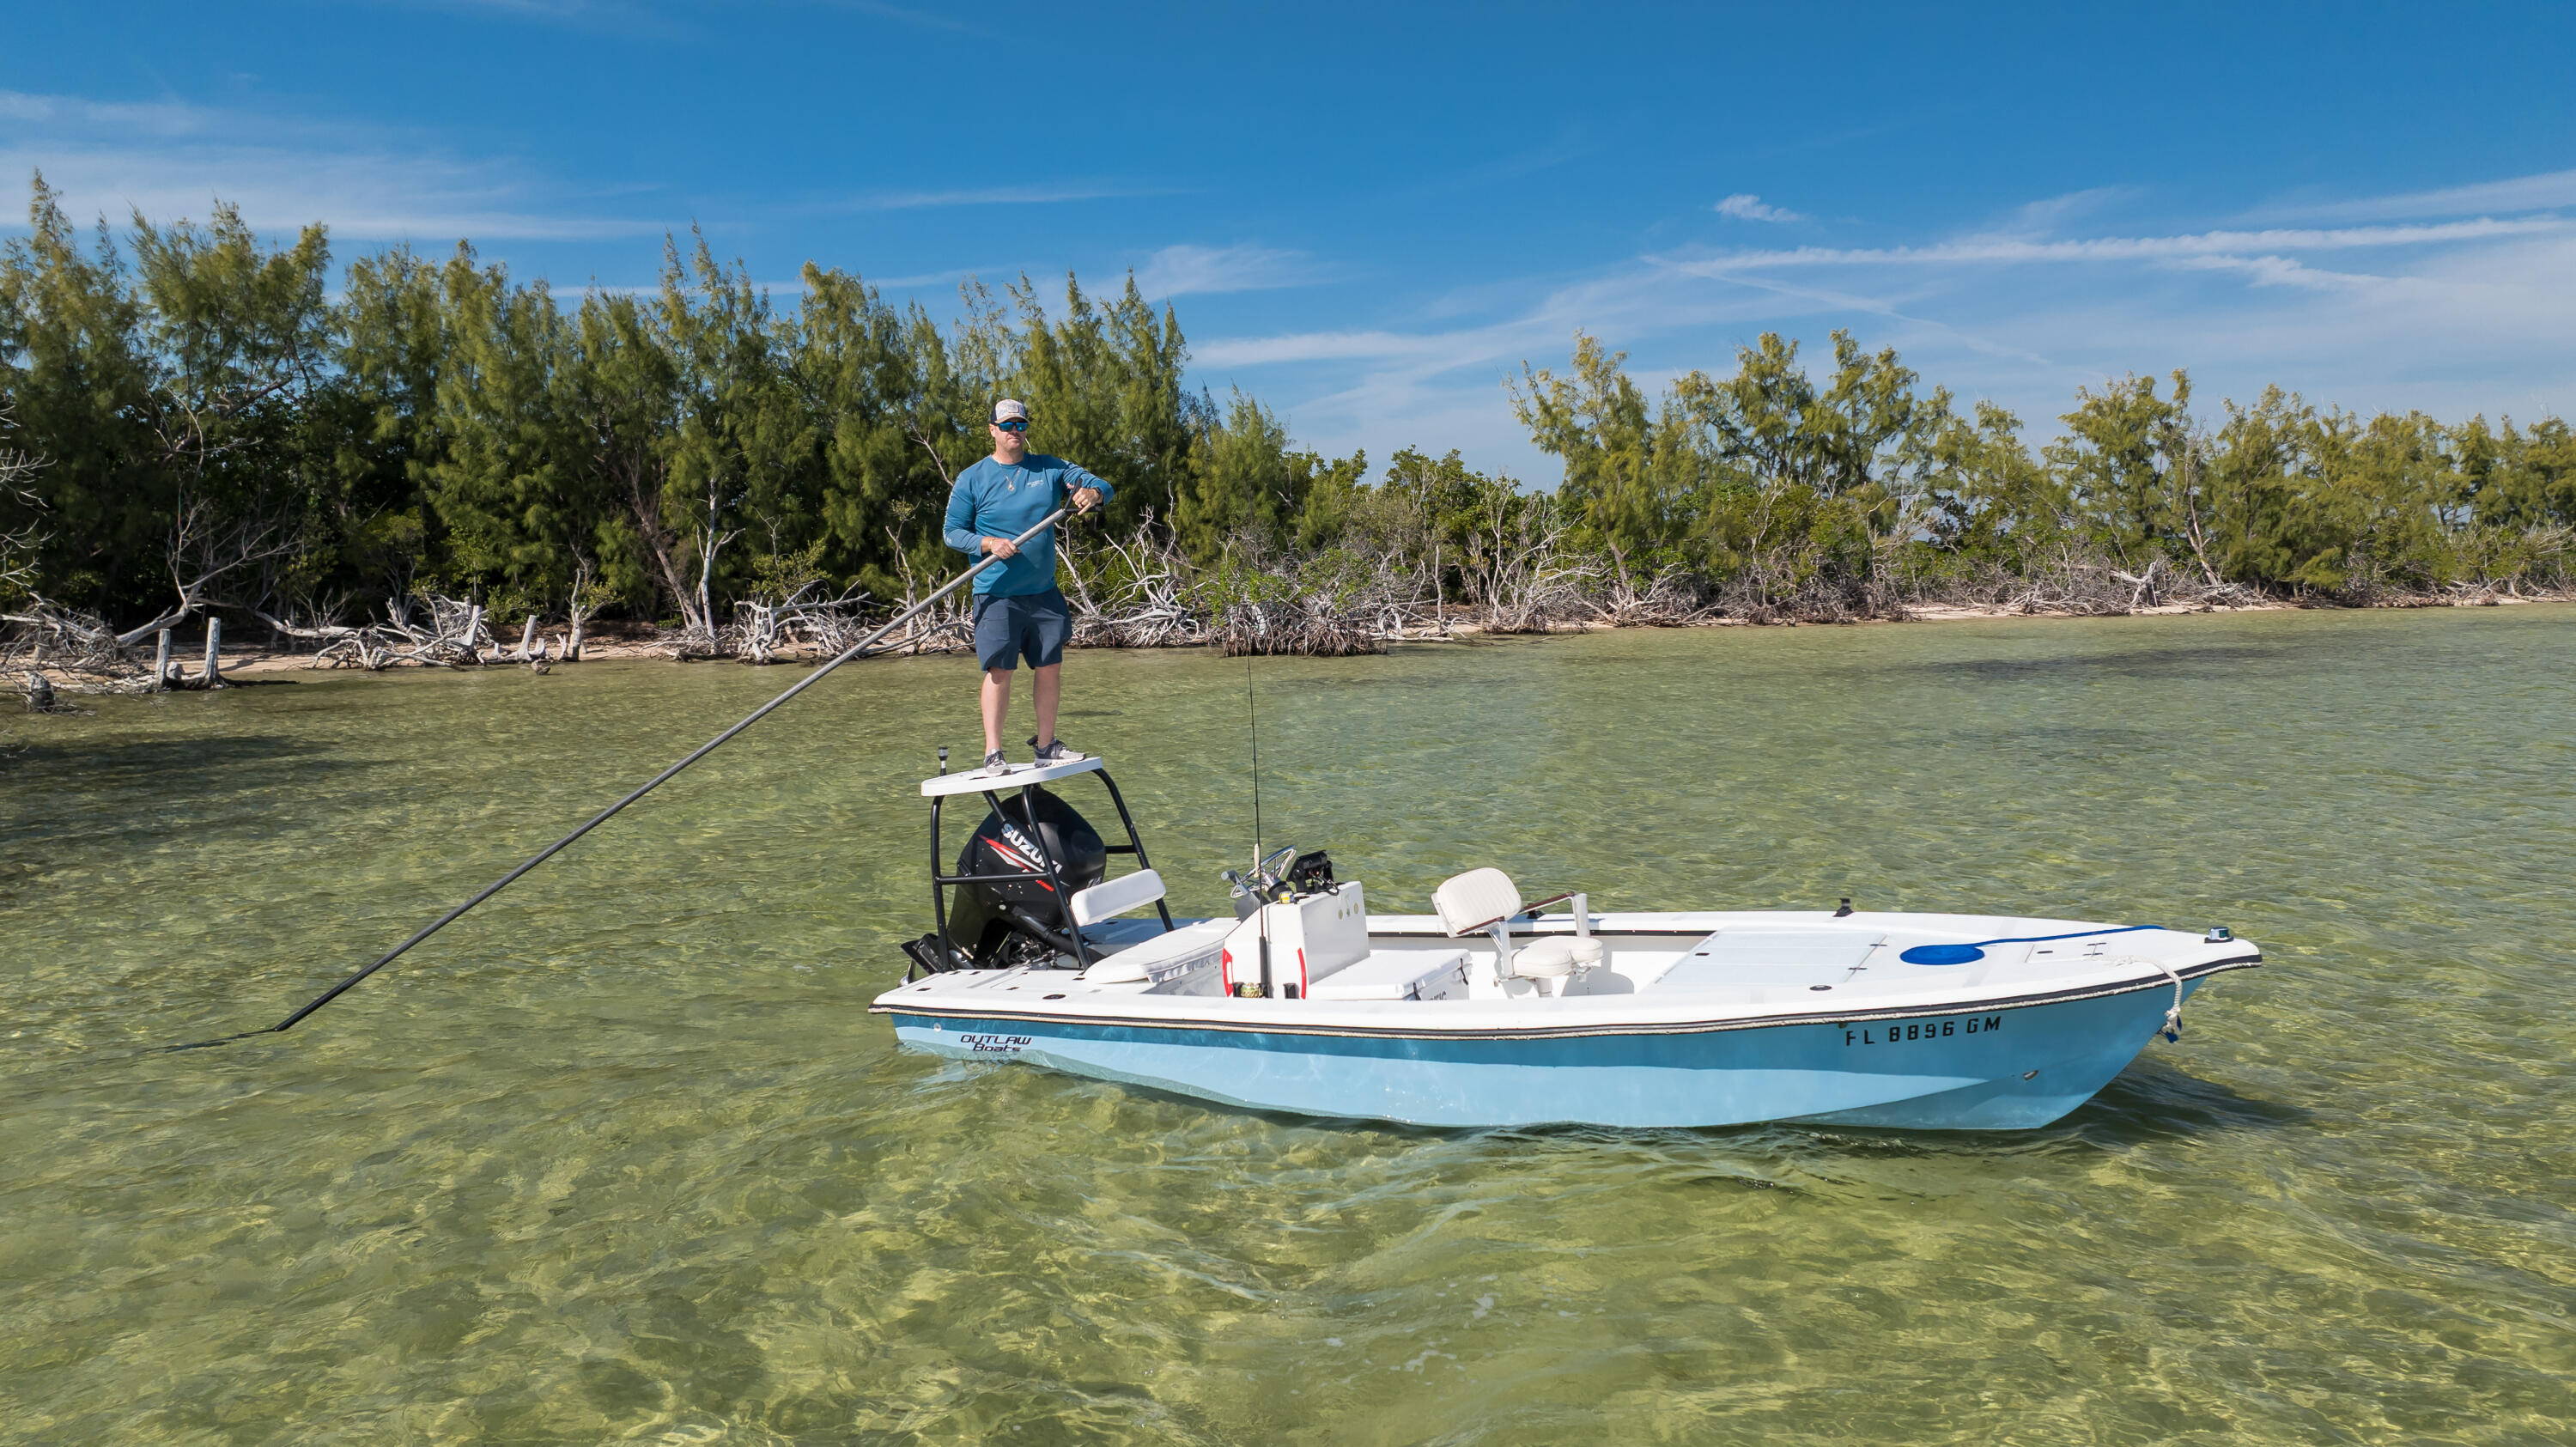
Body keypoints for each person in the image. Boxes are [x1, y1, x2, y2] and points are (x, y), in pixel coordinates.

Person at [942, 398, 1110, 776]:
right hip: (996, 592)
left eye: (1020, 424)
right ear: (992, 431)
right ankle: (993, 753)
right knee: (1000, 670)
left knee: (1049, 665)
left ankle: (1047, 746)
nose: (1014, 431)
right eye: (1006, 425)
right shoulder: (973, 477)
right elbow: (952, 533)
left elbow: (1102, 485)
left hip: (1043, 592)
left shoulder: (1049, 468)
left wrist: (1092, 494)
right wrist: (988, 544)